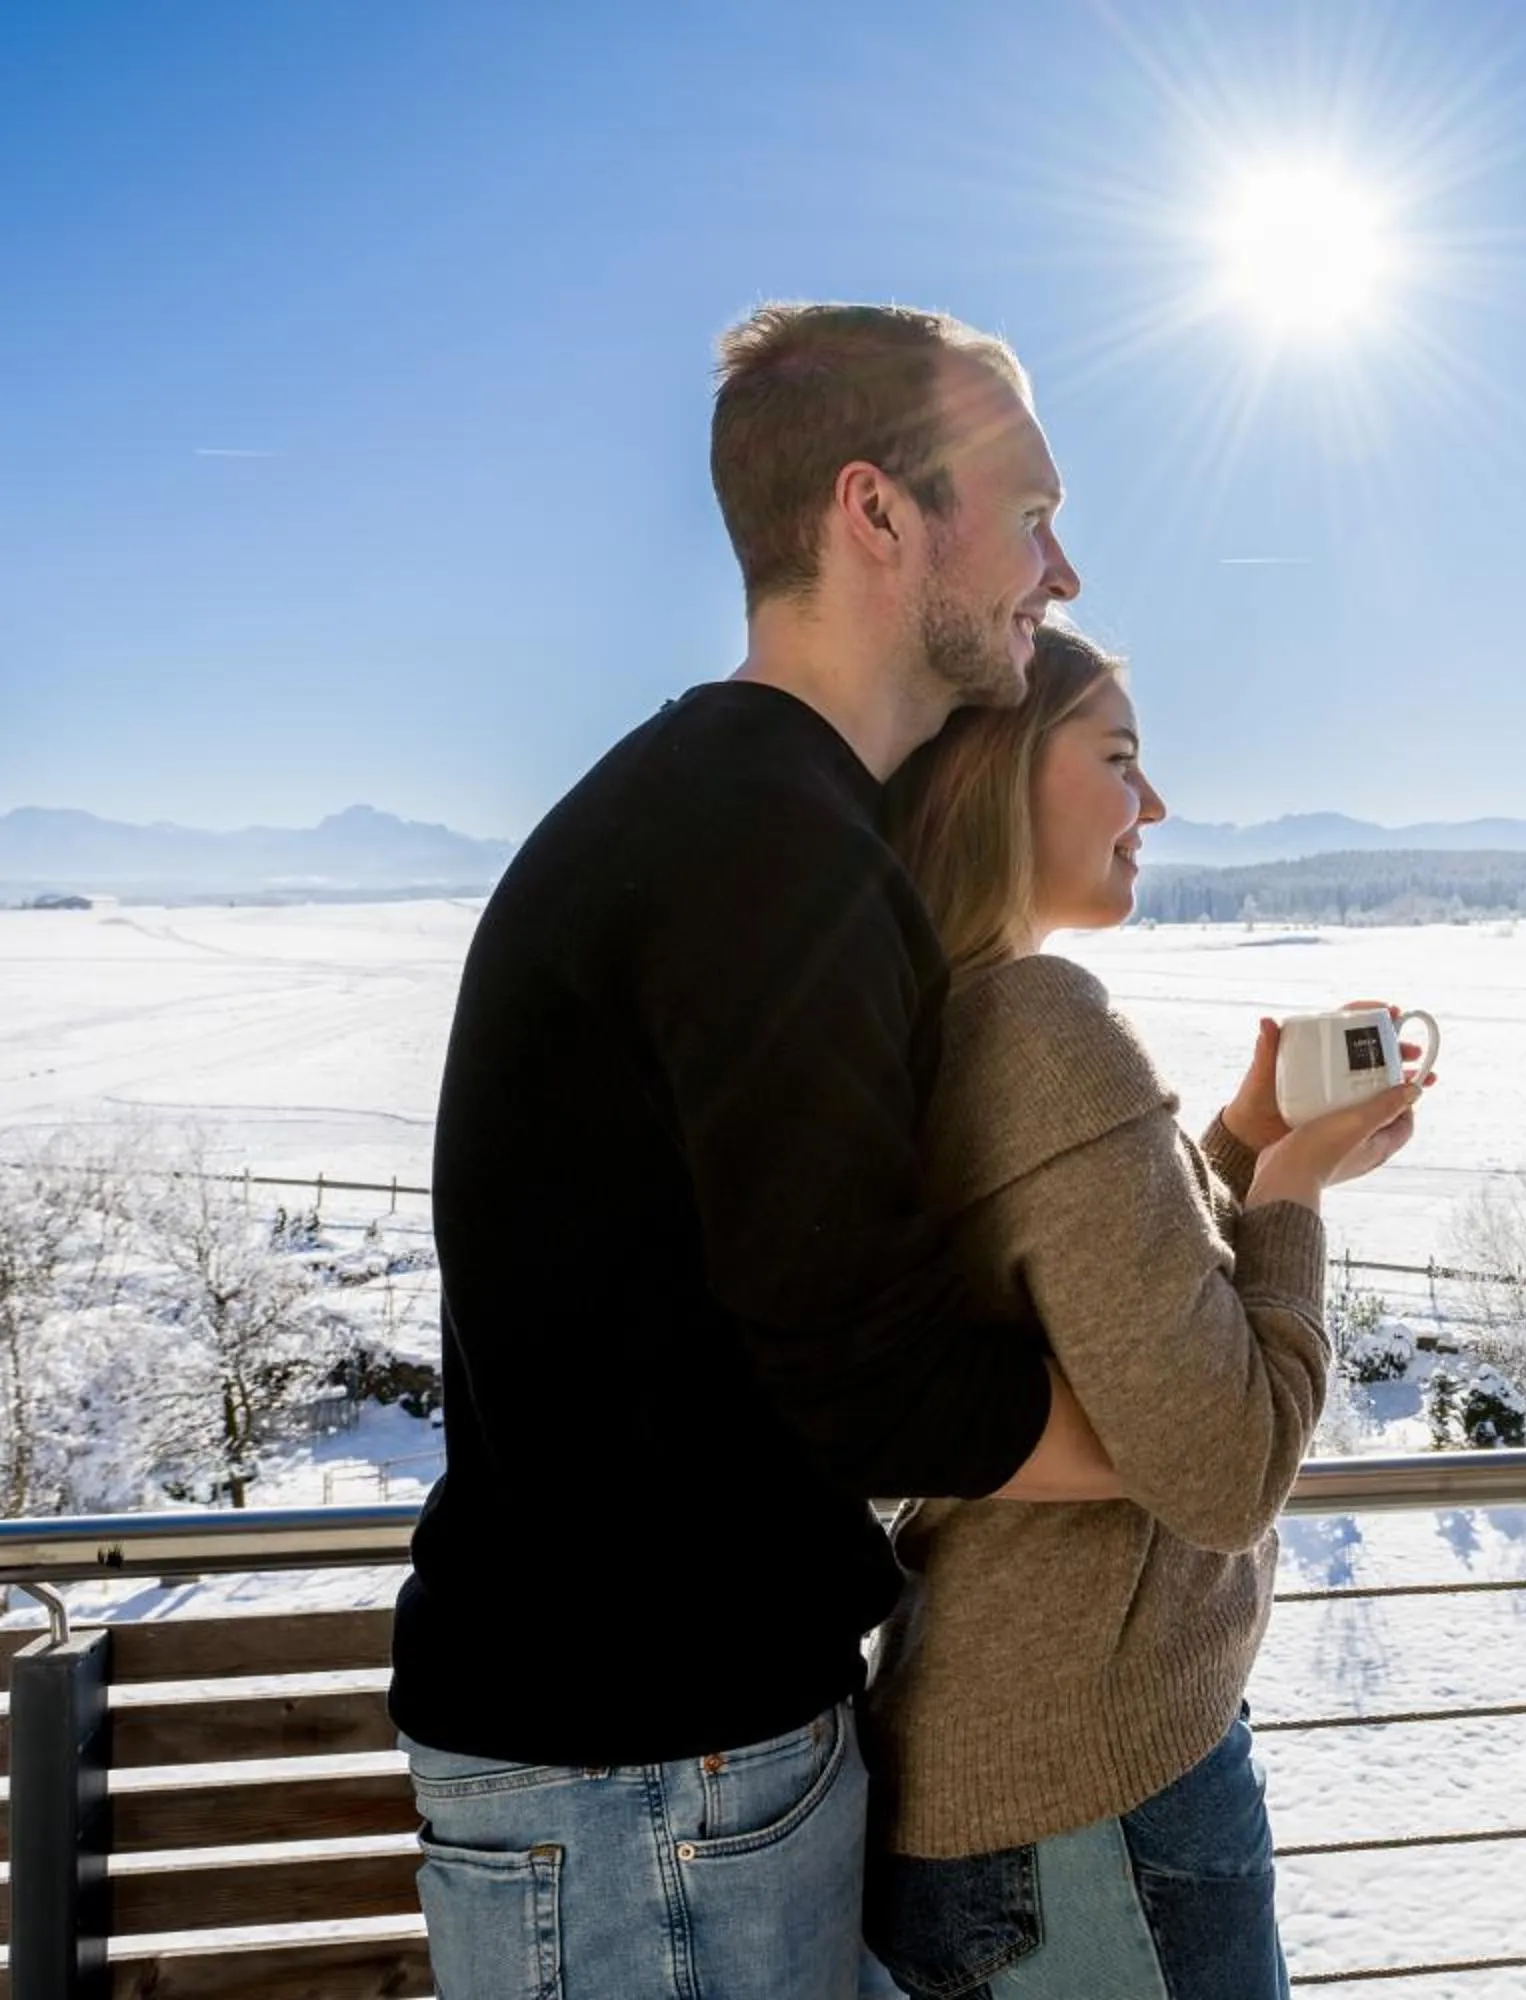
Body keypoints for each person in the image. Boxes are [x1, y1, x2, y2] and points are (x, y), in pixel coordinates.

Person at [393, 303, 1119, 2000]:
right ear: (876, 513)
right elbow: (858, 1363)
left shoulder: (735, 811)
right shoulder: (760, 847)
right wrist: (1183, 1440)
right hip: (647, 1785)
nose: (1062, 571)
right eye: (1028, 511)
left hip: (657, 1766)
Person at [862, 625, 1426, 2000]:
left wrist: (1232, 1150)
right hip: (1087, 1797)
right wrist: (1291, 1193)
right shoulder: (1045, 1024)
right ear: (999, 775)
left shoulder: (945, 1015)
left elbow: (1105, 1307)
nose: (1155, 807)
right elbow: (1227, 1466)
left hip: (1012, 1786)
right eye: (1119, 761)